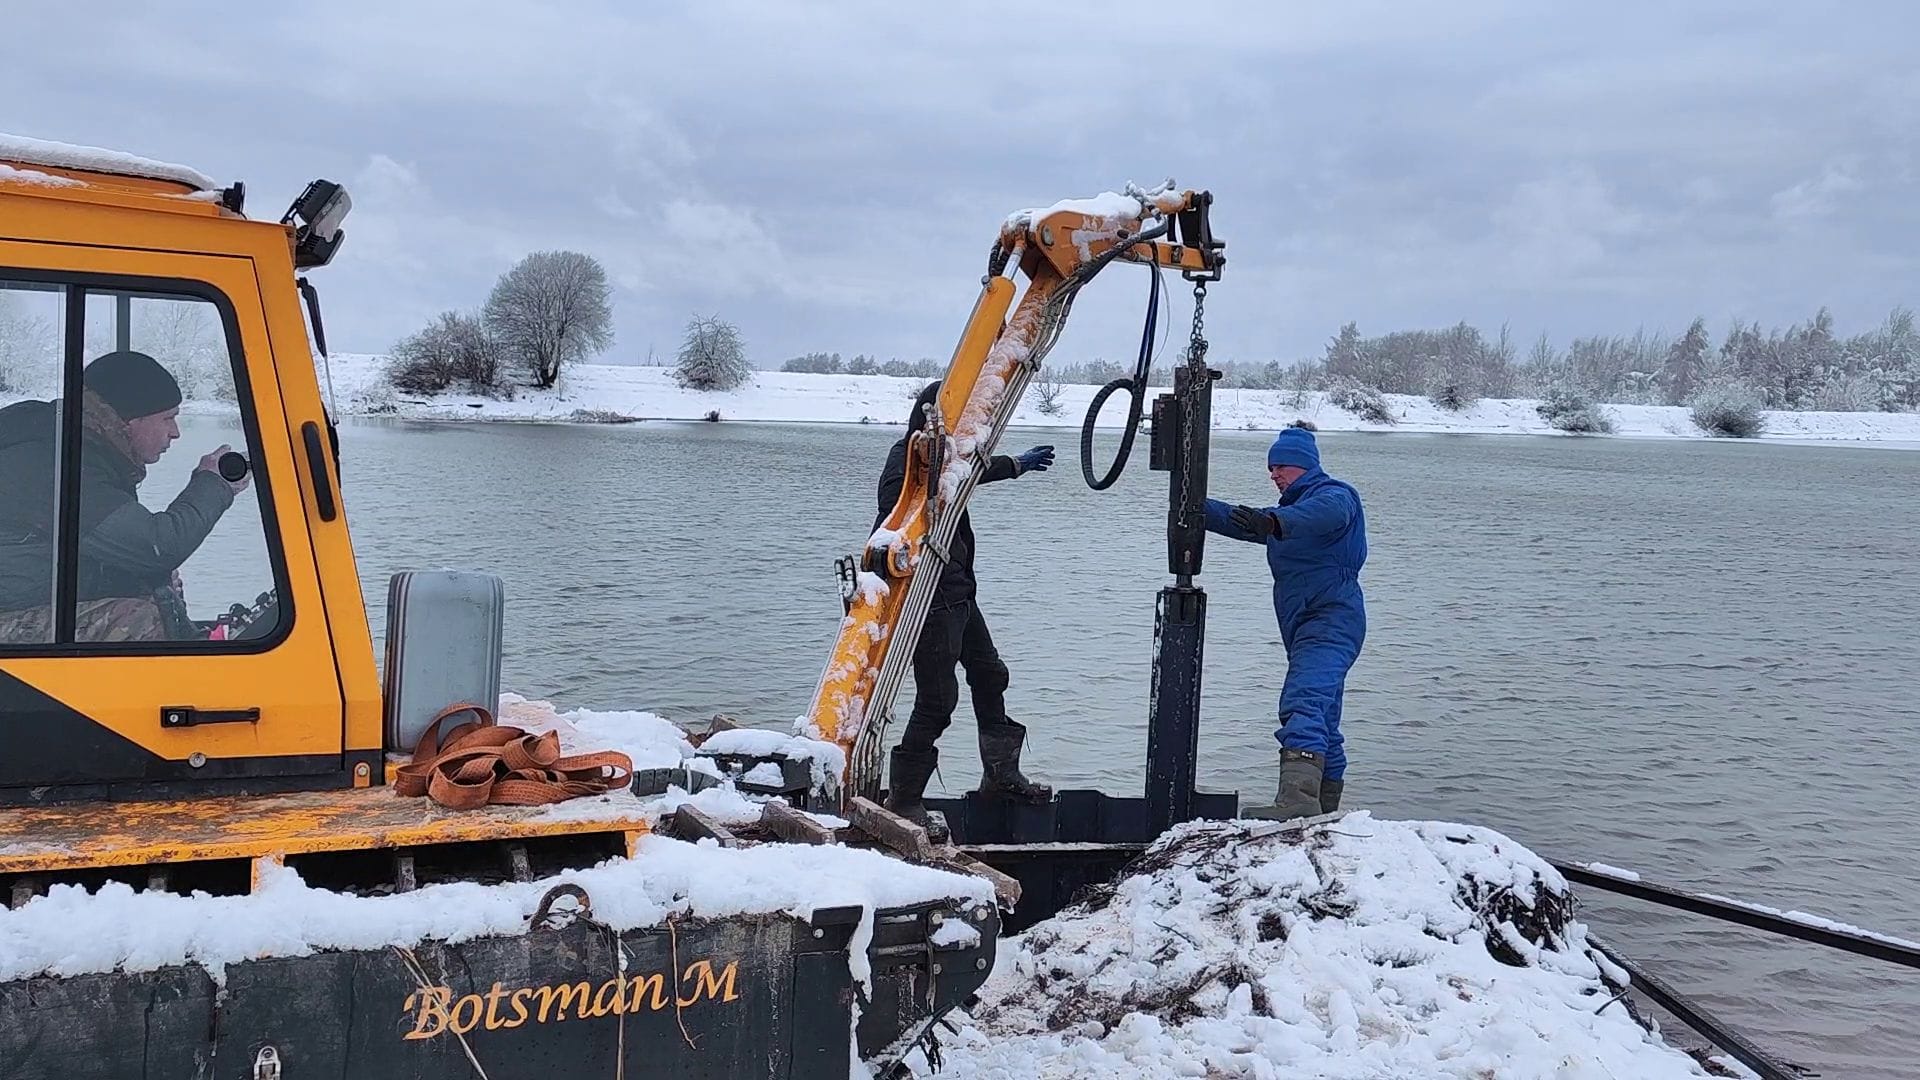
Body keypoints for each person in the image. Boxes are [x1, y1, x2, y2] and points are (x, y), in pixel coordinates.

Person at [880, 379, 1056, 824]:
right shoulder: (907, 459)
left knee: (990, 673)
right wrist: (933, 477)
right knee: (937, 700)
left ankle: (1000, 774)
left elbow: (972, 470)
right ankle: (904, 798)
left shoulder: (946, 458)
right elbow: (896, 512)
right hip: (929, 598)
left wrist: (1016, 464)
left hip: (958, 594)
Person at [0, 350, 248, 643]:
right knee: (137, 621)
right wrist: (213, 484)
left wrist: (148, 580)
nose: (175, 433)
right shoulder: (50, 463)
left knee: (157, 589)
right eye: (168, 418)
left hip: (21, 601)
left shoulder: (78, 448)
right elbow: (159, 546)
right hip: (8, 617)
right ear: (130, 419)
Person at [1204, 425, 1367, 821]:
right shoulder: (1290, 514)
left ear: (1304, 467)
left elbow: (1320, 515)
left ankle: (1297, 800)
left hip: (1331, 618)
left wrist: (1275, 522)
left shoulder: (1334, 496)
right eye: (1270, 467)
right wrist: (1192, 502)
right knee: (1324, 714)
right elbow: (1243, 521)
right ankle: (1325, 808)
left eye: (1281, 467)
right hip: (1306, 623)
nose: (1273, 474)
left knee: (1304, 698)